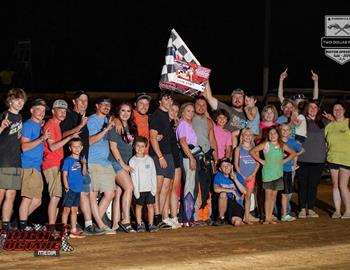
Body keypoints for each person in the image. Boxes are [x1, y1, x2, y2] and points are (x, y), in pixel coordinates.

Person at [60, 90, 104, 235]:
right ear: (74, 102)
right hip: (72, 165)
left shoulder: (83, 118)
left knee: (83, 195)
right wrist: (78, 127)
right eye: (81, 100)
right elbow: (62, 135)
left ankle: (81, 225)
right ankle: (81, 226)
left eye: (86, 100)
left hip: (83, 163)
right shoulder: (71, 116)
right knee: (77, 198)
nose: (84, 103)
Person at [42, 99, 80, 231]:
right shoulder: (50, 124)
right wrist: (69, 138)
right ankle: (51, 228)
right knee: (55, 196)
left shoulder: (56, 125)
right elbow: (52, 147)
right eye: (60, 110)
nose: (63, 113)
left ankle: (54, 227)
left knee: (57, 196)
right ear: (53, 111)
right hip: (51, 164)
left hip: (57, 164)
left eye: (64, 111)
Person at [250, 127, 296, 224]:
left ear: (278, 135)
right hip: (267, 175)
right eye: (270, 134)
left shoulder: (282, 145)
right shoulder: (266, 144)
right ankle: (267, 218)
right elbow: (252, 151)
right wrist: (261, 160)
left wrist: (284, 161)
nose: (272, 135)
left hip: (278, 175)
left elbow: (293, 153)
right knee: (268, 197)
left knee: (273, 197)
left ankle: (270, 217)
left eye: (274, 133)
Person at [18, 99, 50, 231]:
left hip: (36, 167)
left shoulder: (38, 126)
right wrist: (42, 138)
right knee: (27, 198)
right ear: (32, 110)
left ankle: (18, 223)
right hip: (27, 166)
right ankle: (22, 227)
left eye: (43, 110)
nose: (42, 112)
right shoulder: (28, 125)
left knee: (37, 201)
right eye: (39, 109)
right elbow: (24, 147)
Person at [87, 97, 116, 234]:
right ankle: (100, 224)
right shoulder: (92, 120)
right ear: (97, 106)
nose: (106, 107)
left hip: (105, 162)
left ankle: (95, 224)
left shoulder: (107, 120)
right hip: (93, 161)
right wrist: (106, 130)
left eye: (108, 105)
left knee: (110, 193)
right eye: (103, 104)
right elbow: (90, 141)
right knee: (93, 194)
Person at [0, 88, 26, 230]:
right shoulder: (4, 115)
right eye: (17, 100)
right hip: (3, 160)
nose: (20, 102)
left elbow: (15, 137)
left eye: (22, 100)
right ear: (10, 100)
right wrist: (1, 127)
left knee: (11, 194)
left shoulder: (20, 117)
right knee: (1, 193)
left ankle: (5, 226)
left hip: (15, 160)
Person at [108, 102, 136, 232]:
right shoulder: (115, 125)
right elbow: (113, 148)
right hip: (115, 162)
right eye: (123, 111)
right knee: (129, 187)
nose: (125, 113)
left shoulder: (131, 127)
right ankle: (125, 220)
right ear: (118, 112)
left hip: (125, 163)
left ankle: (115, 224)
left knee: (119, 193)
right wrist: (123, 165)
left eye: (128, 111)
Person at [297, 100, 328, 218]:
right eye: (311, 107)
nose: (313, 109)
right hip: (303, 158)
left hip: (318, 159)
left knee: (313, 185)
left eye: (315, 107)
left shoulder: (324, 122)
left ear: (319, 109)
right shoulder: (302, 121)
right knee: (303, 185)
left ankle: (310, 208)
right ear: (307, 109)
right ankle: (301, 209)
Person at [149, 91, 175, 229]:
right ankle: (155, 217)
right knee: (157, 188)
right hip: (159, 155)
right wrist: (160, 156)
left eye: (171, 99)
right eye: (166, 98)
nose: (169, 101)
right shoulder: (157, 115)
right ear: (160, 101)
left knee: (166, 188)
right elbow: (153, 137)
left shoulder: (167, 116)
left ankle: (161, 218)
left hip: (169, 154)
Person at [192, 96, 218, 224]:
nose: (201, 107)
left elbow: (212, 140)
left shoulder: (208, 121)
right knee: (197, 185)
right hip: (195, 155)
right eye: (198, 104)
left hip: (207, 155)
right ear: (194, 105)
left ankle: (206, 215)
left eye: (204, 105)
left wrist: (216, 158)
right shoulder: (189, 118)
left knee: (207, 185)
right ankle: (196, 215)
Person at [325, 101, 350, 219]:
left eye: (340, 109)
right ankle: (337, 210)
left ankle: (348, 211)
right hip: (332, 158)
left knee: (343, 185)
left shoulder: (348, 122)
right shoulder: (329, 125)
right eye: (335, 109)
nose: (338, 111)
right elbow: (325, 142)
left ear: (344, 110)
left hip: (346, 159)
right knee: (335, 185)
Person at [176, 102, 200, 226]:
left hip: (191, 155)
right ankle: (186, 218)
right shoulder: (183, 124)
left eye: (192, 111)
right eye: (188, 111)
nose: (190, 113)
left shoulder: (188, 124)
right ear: (182, 112)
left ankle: (186, 218)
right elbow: (182, 141)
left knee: (191, 186)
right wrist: (191, 158)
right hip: (187, 156)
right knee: (189, 187)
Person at [203, 81, 247, 148]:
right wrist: (206, 78)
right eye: (235, 97)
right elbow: (209, 97)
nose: (237, 99)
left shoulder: (248, 115)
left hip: (243, 150)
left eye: (240, 97)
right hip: (225, 148)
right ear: (231, 99)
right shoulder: (226, 109)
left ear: (244, 99)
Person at [129, 136, 158, 232]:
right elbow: (133, 177)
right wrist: (136, 191)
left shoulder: (149, 160)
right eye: (138, 146)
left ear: (146, 147)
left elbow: (153, 174)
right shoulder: (132, 161)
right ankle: (139, 224)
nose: (140, 148)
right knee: (138, 207)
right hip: (139, 190)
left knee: (150, 206)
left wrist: (154, 188)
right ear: (134, 146)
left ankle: (150, 224)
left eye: (142, 146)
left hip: (149, 189)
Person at [61, 138, 87, 238]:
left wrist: (84, 164)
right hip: (70, 189)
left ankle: (73, 230)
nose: (76, 148)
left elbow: (84, 173)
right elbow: (64, 174)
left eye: (78, 146)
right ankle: (63, 231)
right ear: (70, 148)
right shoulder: (68, 160)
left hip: (78, 189)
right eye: (74, 146)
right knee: (66, 210)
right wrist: (66, 185)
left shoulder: (82, 160)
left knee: (74, 210)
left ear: (82, 147)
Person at [234, 128, 260, 224]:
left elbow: (257, 164)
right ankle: (239, 216)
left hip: (251, 177)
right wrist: (242, 176)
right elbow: (236, 164)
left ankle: (247, 217)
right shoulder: (238, 149)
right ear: (242, 136)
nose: (248, 136)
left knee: (248, 196)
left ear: (252, 137)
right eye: (246, 134)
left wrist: (252, 175)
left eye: (250, 134)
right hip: (241, 177)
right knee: (240, 196)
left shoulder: (255, 149)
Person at [279, 124, 304, 221]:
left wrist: (292, 155)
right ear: (280, 131)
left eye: (287, 130)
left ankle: (284, 214)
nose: (285, 132)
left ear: (290, 131)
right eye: (283, 130)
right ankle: (271, 213)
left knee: (285, 193)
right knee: (274, 193)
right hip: (275, 170)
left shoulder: (292, 142)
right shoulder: (277, 141)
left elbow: (302, 150)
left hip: (287, 170)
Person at [213, 158, 247, 226]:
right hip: (222, 201)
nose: (226, 167)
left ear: (232, 166)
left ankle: (229, 219)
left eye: (228, 165)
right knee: (223, 194)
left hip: (235, 202)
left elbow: (244, 191)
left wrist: (235, 179)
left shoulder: (238, 176)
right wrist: (231, 190)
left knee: (237, 223)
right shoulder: (218, 176)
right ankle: (221, 218)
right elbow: (215, 189)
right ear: (220, 169)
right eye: (223, 166)